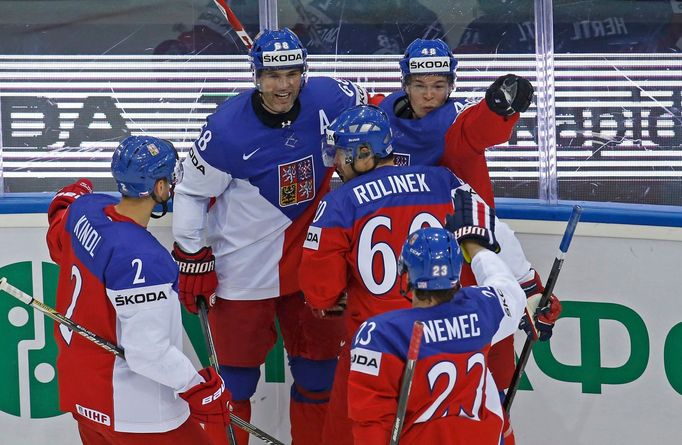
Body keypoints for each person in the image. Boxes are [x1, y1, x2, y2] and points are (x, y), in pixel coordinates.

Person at [298, 105, 549, 445]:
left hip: (378, 345)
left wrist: (331, 298)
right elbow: (492, 232)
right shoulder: (443, 180)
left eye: (342, 153)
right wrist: (532, 289)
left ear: (363, 153)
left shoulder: (340, 202)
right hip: (453, 337)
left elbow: (319, 289)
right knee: (481, 422)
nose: (337, 164)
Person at [171, 28, 367, 445]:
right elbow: (189, 192)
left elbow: (375, 110)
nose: (284, 85)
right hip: (242, 271)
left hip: (313, 265)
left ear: (304, 73)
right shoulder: (225, 130)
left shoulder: (331, 98)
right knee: (236, 384)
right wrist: (192, 252)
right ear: (256, 76)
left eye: (293, 74)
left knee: (319, 376)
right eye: (273, 75)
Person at [378, 37, 558, 444]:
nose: (430, 94)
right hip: (404, 280)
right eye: (421, 84)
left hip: (467, 274)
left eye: (440, 85)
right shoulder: (379, 113)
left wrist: (500, 108)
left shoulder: (455, 132)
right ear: (404, 83)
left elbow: (478, 130)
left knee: (488, 392)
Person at [45, 135, 232, 445]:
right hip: (135, 411)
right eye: (170, 178)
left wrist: (70, 195)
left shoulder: (87, 210)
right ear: (159, 188)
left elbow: (58, 229)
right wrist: (199, 388)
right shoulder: (143, 259)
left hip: (83, 396)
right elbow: (148, 352)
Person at [347, 221, 526, 444]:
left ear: (407, 275)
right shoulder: (482, 309)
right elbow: (508, 288)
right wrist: (475, 247)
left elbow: (371, 421)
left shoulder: (382, 335)